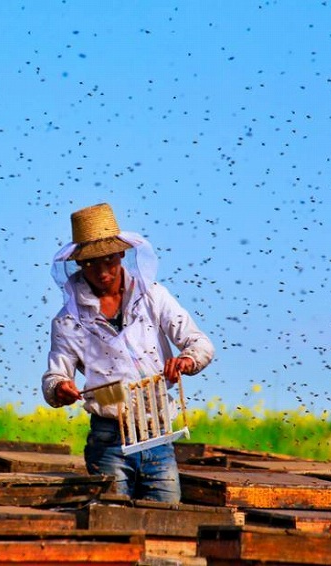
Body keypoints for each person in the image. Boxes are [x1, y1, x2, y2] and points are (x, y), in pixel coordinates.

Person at [42, 202, 214, 503]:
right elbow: (56, 374)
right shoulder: (68, 319)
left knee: (167, 523)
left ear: (121, 254)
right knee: (115, 524)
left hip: (157, 433)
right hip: (108, 440)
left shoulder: (153, 296)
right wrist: (60, 389)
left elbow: (200, 343)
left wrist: (186, 360)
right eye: (92, 262)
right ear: (81, 264)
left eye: (108, 259)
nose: (102, 270)